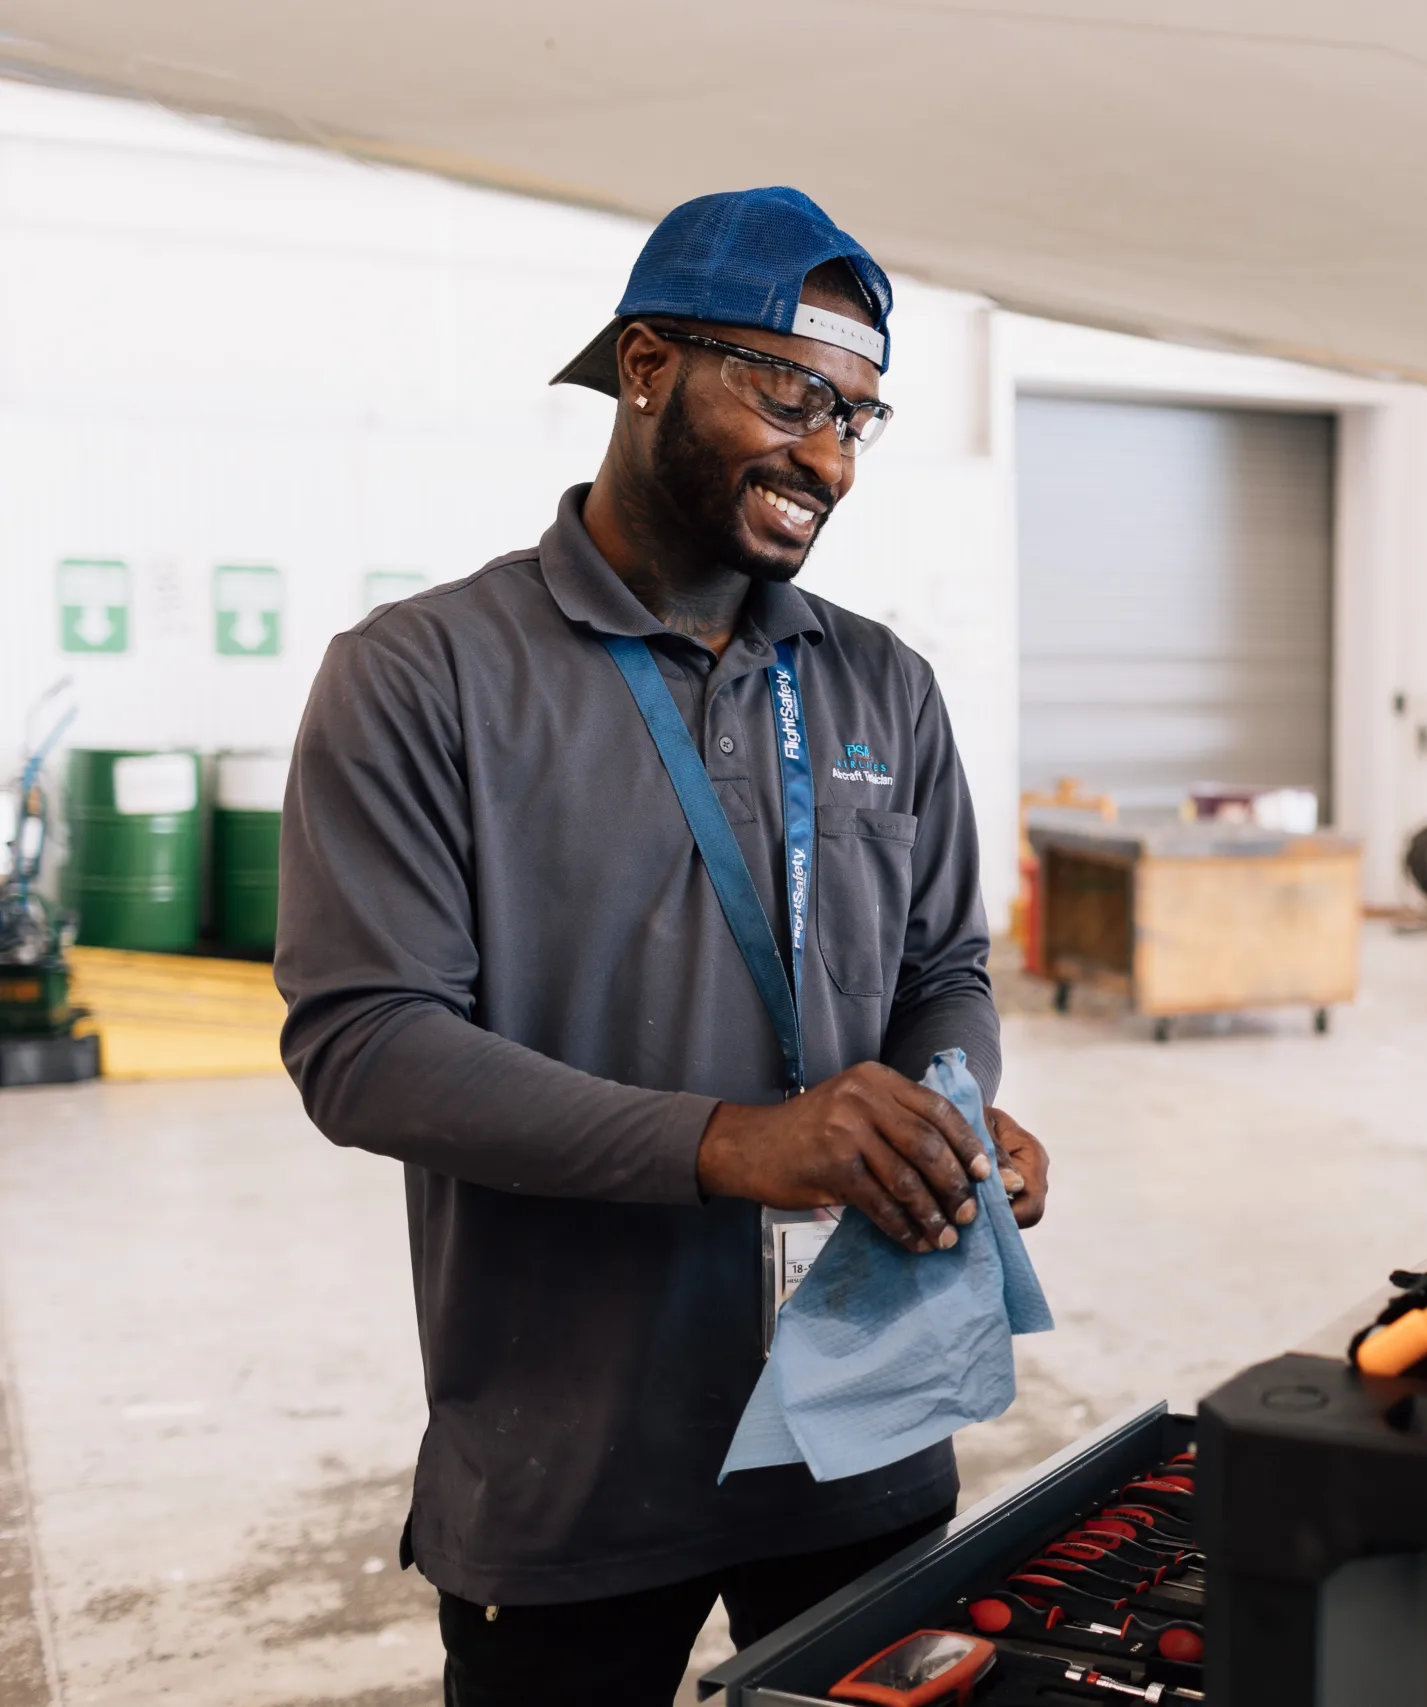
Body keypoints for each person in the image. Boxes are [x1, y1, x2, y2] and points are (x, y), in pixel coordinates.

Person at [275, 186, 1051, 1705]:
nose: (830, 457)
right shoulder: (423, 677)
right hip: (572, 1468)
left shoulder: (883, 685)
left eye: (858, 418)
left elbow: (944, 969)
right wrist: (735, 1143)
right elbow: (366, 1045)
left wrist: (947, 1111)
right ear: (646, 367)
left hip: (862, 1433)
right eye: (793, 396)